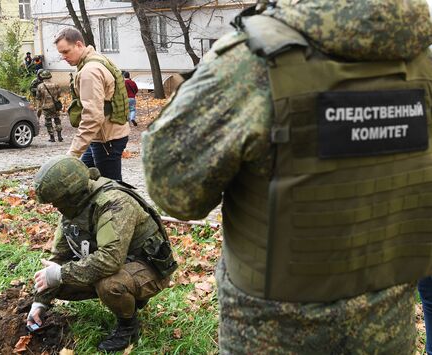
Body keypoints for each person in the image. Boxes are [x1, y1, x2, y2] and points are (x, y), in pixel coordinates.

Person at [142, 0, 432, 353]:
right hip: (388, 331)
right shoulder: (424, 63)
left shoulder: (250, 63)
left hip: (269, 336)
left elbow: (175, 194)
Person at [26, 156, 177, 352]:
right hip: (119, 262)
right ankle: (130, 296)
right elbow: (59, 256)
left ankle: (128, 327)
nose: (55, 207)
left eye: (57, 201)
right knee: (54, 282)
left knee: (110, 284)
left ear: (71, 193)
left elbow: (110, 260)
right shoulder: (74, 207)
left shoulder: (114, 202)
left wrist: (61, 274)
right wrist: (40, 303)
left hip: (149, 267)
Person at [54, 27, 130, 181]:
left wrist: (73, 153)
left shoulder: (90, 71)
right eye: (61, 53)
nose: (63, 57)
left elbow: (92, 116)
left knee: (112, 190)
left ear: (79, 45)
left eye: (66, 52)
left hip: (107, 139)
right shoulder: (95, 60)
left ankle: (130, 204)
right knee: (85, 180)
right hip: (102, 137)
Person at [36, 70, 63, 142]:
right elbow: (59, 95)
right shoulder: (56, 85)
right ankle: (60, 136)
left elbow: (38, 98)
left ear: (42, 77)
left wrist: (38, 110)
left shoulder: (40, 86)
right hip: (55, 106)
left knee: (48, 122)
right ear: (50, 77)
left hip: (46, 107)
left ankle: (52, 137)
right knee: (57, 120)